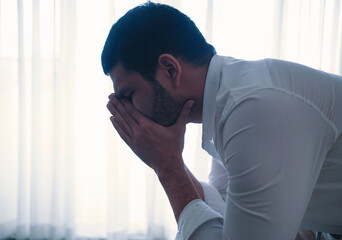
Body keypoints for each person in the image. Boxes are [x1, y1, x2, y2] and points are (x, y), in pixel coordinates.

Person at [101, 2, 342, 240]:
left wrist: (168, 167)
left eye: (128, 96)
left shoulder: (252, 108)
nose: (126, 111)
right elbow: (223, 204)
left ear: (170, 70)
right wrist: (169, 161)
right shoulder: (226, 102)